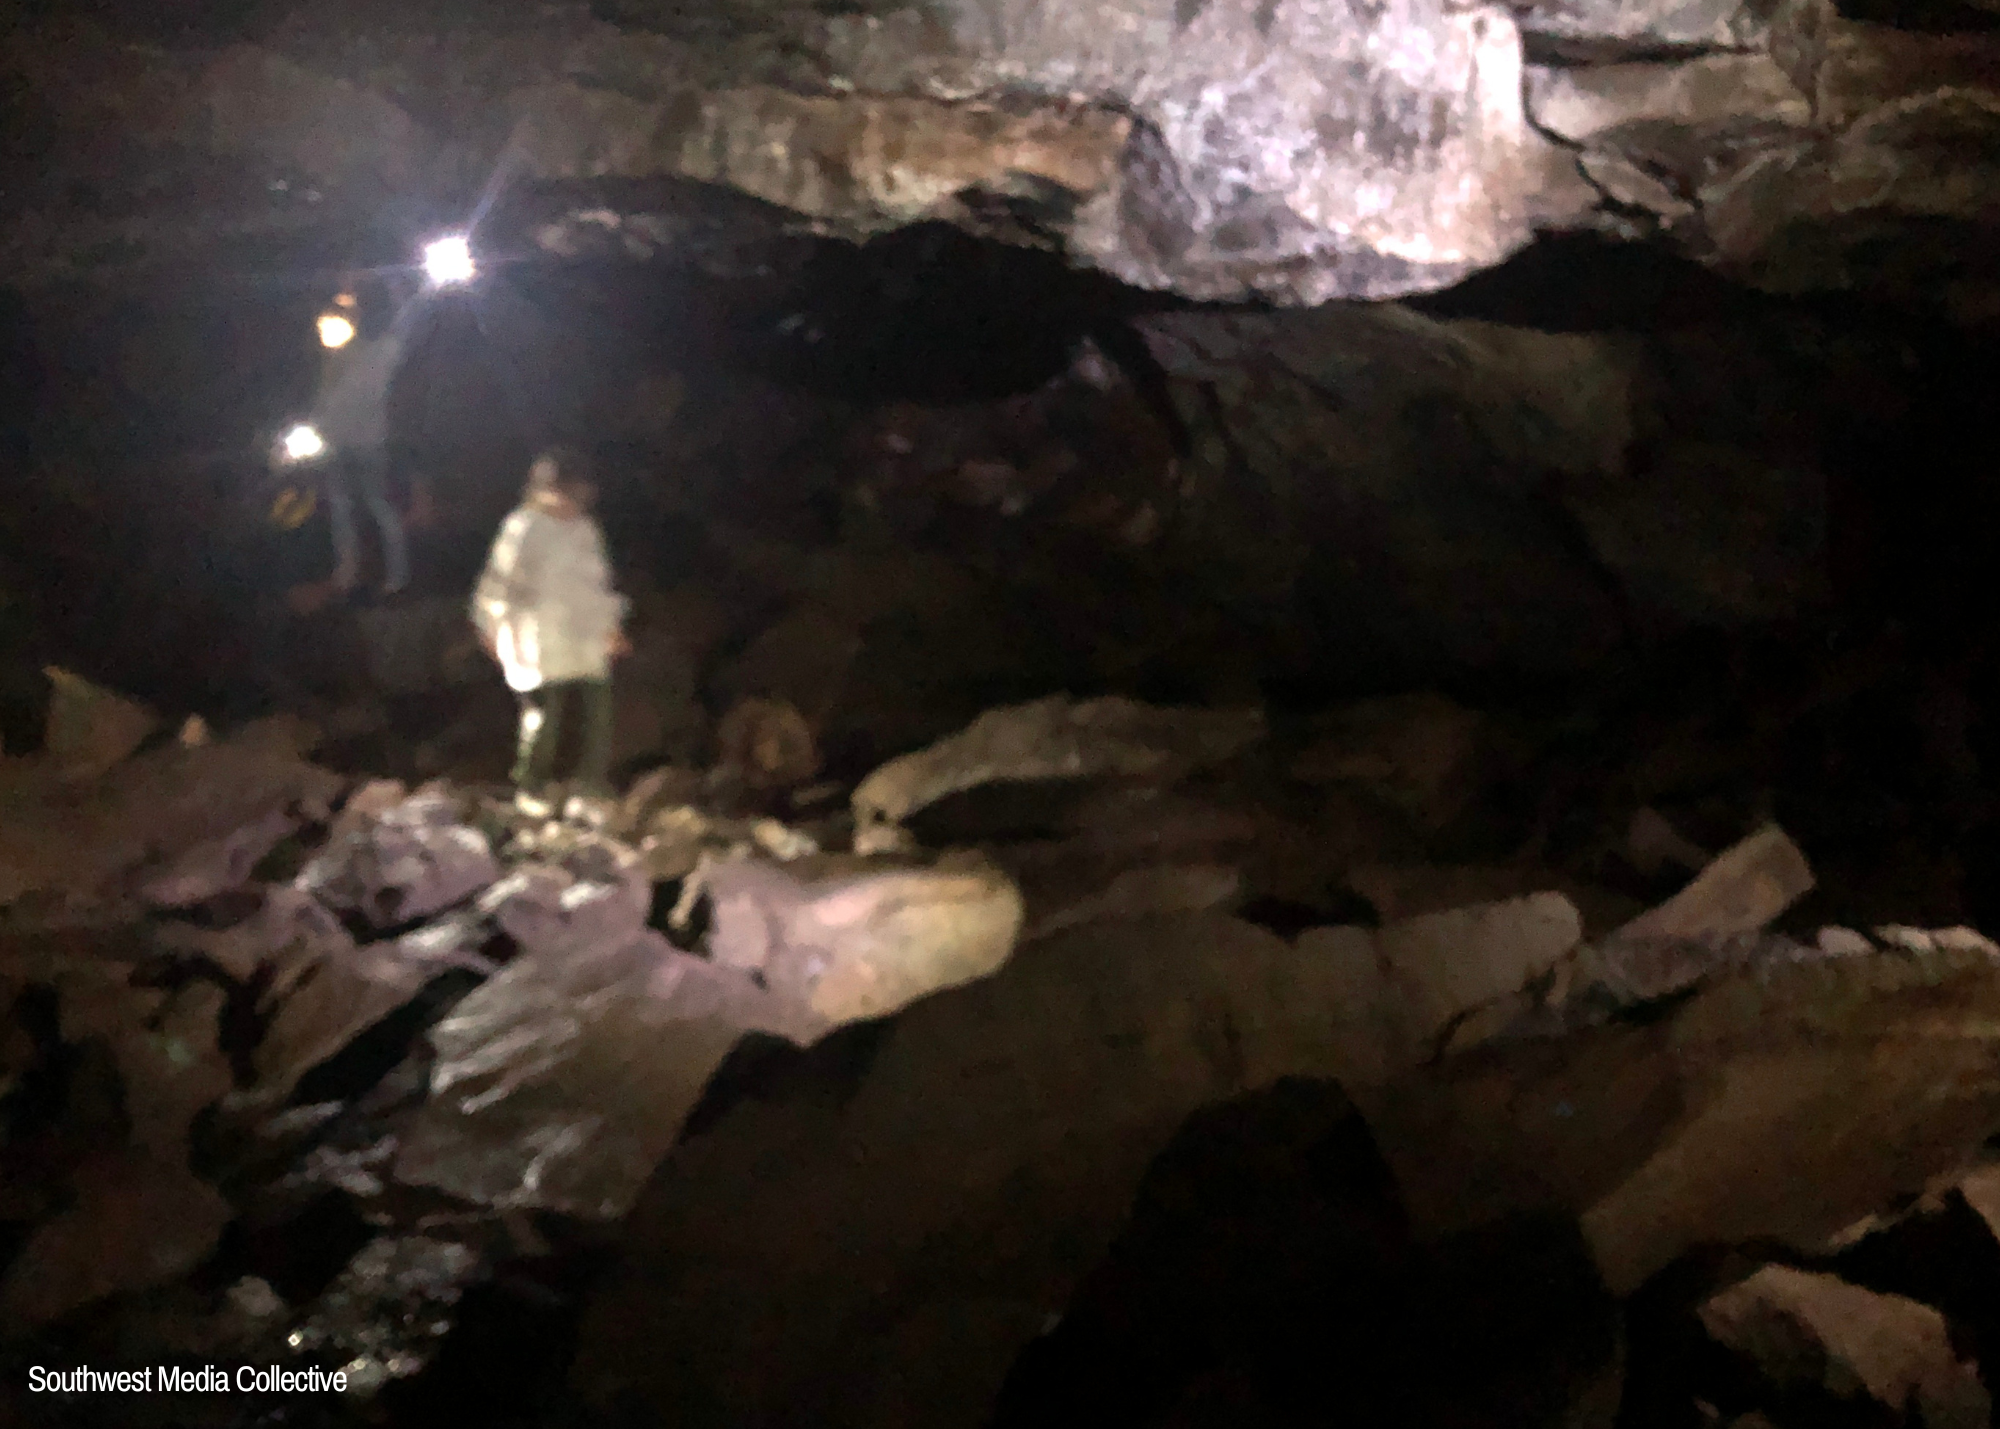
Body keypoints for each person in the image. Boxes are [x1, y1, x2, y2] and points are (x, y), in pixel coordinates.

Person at [470, 448, 630, 818]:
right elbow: (497, 587)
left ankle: (591, 787)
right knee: (543, 717)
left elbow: (598, 584)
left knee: (596, 714)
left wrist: (612, 626)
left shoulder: (585, 531)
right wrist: (491, 629)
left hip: (586, 640)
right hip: (538, 641)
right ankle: (532, 786)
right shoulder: (523, 528)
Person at [312, 277, 410, 597]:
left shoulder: (377, 354)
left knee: (377, 505)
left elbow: (402, 328)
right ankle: (349, 573)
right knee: (344, 508)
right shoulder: (334, 361)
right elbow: (326, 403)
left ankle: (396, 576)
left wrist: (398, 295)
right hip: (340, 443)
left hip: (367, 442)